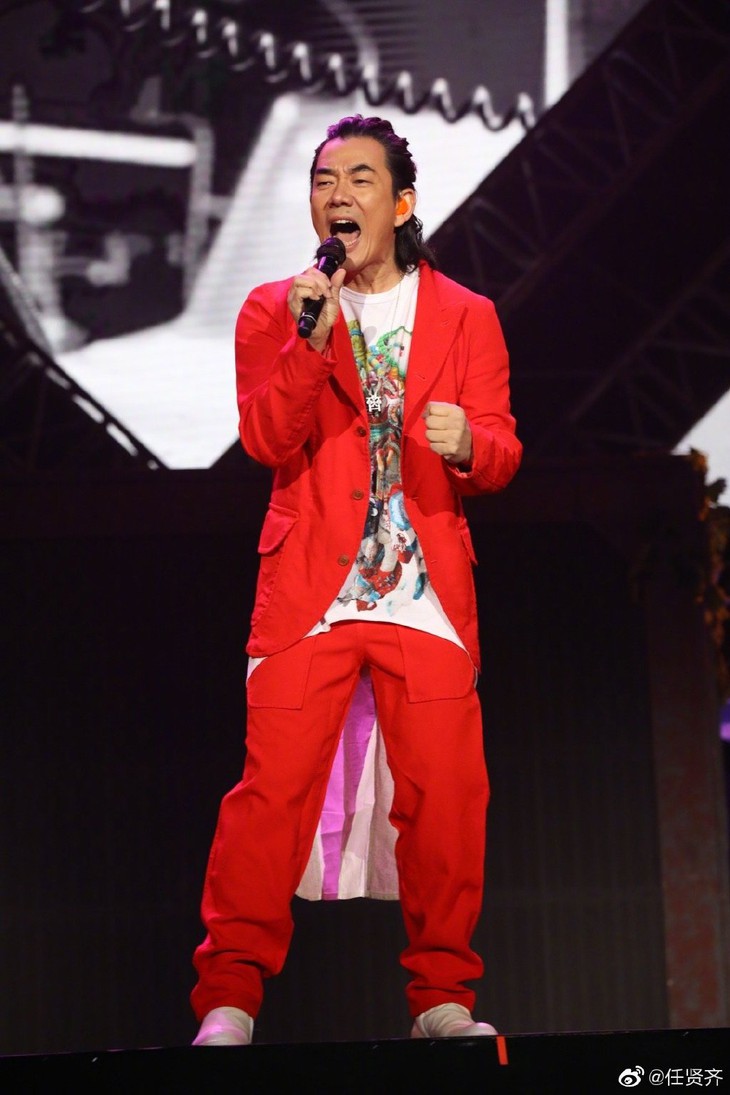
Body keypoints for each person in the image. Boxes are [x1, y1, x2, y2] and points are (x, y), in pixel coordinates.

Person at [191, 113, 522, 1046]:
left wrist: (471, 443)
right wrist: (309, 340)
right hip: (310, 590)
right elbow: (267, 438)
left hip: (426, 593)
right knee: (269, 800)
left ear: (402, 203)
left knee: (447, 798)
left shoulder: (468, 314)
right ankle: (229, 999)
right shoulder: (277, 309)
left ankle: (442, 998)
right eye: (324, 180)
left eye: (360, 179)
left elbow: (502, 451)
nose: (337, 195)